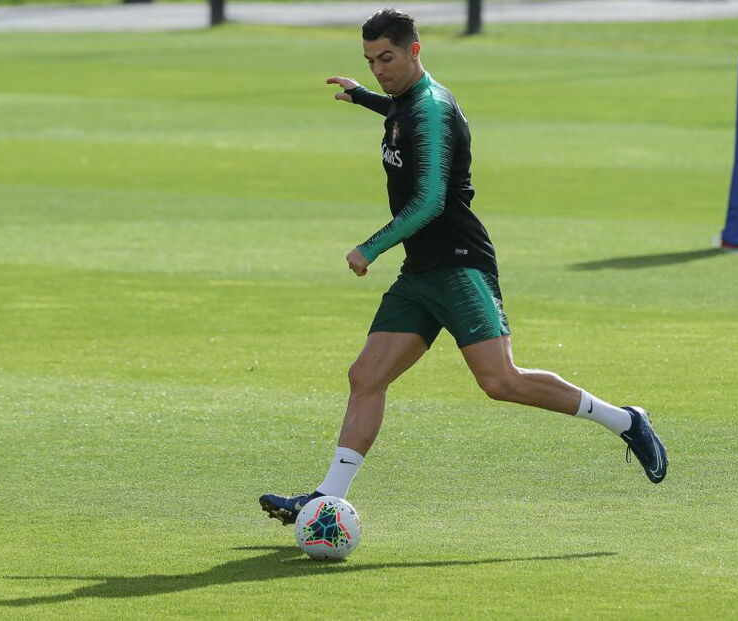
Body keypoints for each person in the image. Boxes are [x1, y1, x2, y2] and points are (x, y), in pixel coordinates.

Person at [260, 8, 667, 525]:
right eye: (370, 60)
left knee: (501, 382)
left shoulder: (430, 107)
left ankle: (626, 420)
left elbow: (430, 201)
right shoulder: (408, 104)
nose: (379, 68)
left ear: (415, 50)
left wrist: (370, 247)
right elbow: (401, 115)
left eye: (387, 58)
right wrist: (365, 97)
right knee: (366, 375)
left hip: (458, 264)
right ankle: (323, 500)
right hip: (421, 271)